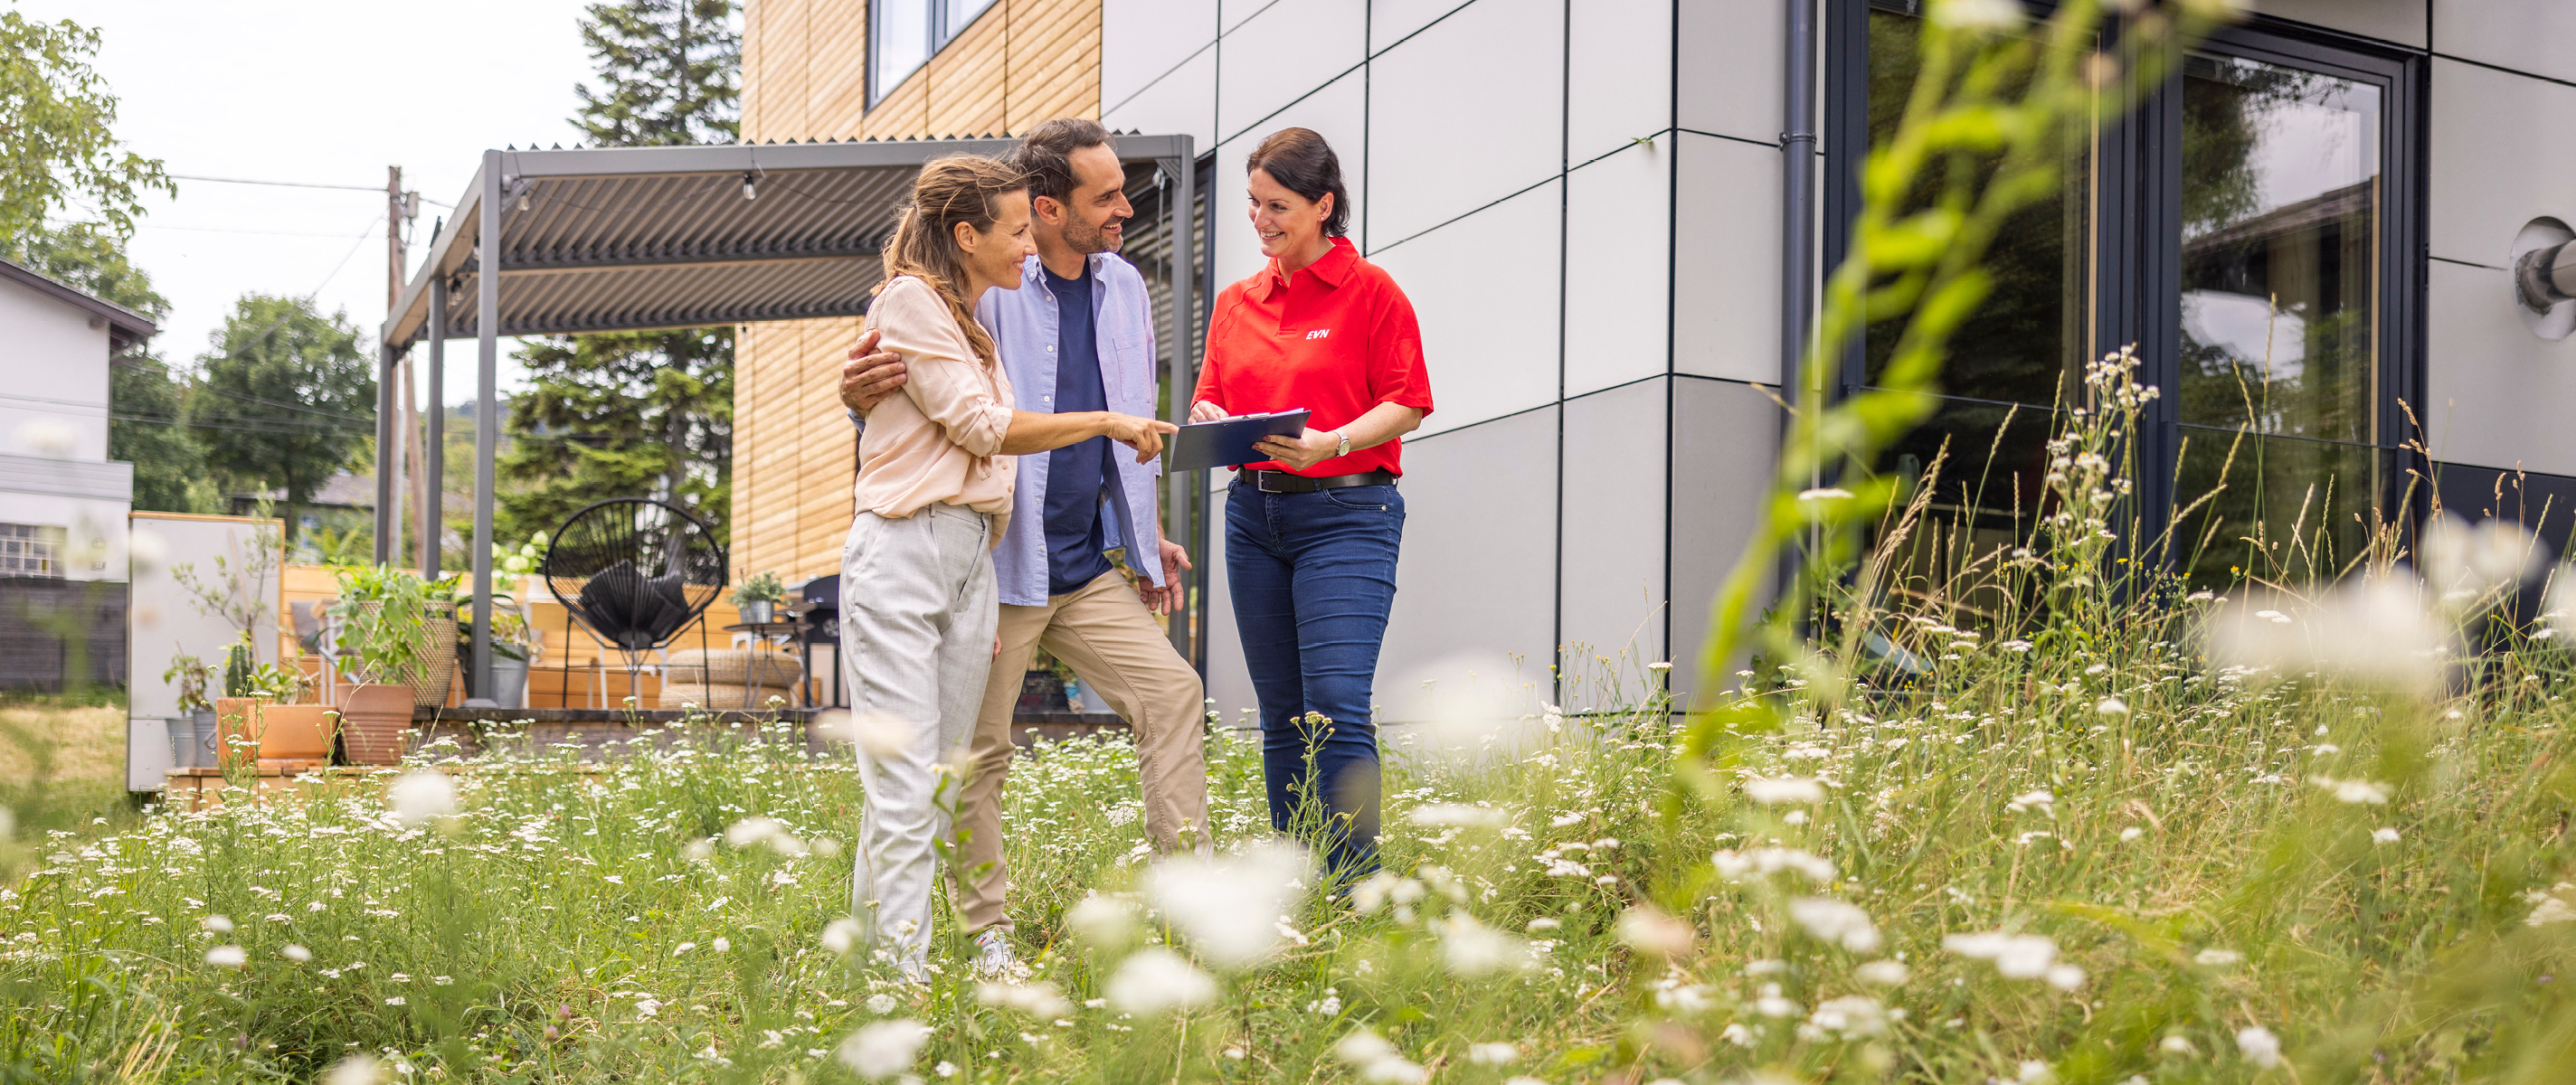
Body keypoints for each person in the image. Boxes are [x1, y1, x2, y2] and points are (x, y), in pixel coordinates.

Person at [839, 119, 1209, 976]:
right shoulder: (982, 281)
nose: (1126, 207)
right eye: (1106, 195)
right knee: (971, 757)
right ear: (1045, 210)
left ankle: (1188, 905)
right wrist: (854, 394)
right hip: (994, 569)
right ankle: (979, 934)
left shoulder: (1121, 286)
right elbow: (915, 397)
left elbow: (1126, 411)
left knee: (1174, 694)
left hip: (1081, 563)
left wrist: (1140, 530)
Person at [1187, 127, 1433, 884]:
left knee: (1334, 702)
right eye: (1254, 204)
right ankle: (1297, 884)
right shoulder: (1236, 303)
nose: (1261, 220)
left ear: (1324, 205)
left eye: (1279, 205)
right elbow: (1211, 394)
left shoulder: (1373, 292)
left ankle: (1356, 886)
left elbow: (1409, 403)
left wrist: (1332, 443)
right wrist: (1203, 418)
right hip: (1252, 519)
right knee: (1282, 711)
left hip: (1347, 516)